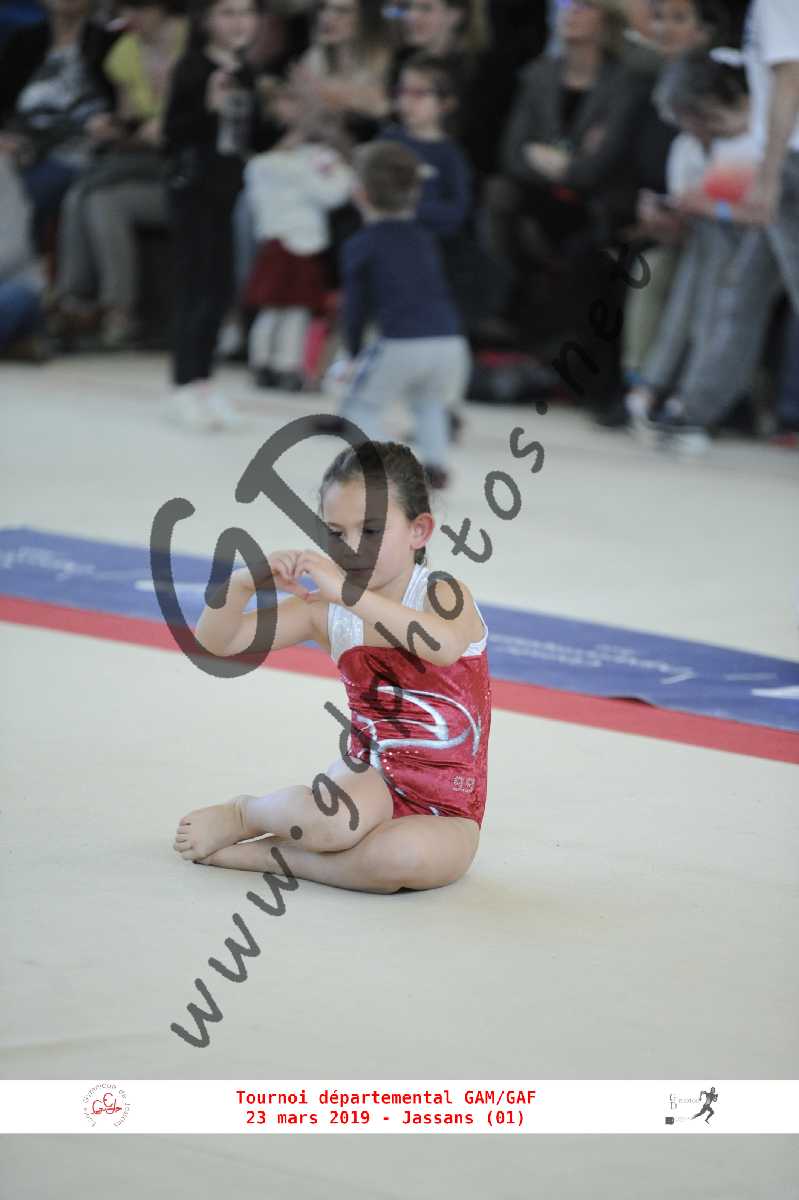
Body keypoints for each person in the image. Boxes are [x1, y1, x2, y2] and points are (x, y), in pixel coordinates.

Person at [173, 440, 492, 894]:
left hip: (451, 807)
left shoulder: (441, 592)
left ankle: (266, 856)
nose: (353, 548)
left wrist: (348, 594)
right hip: (371, 776)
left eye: (372, 530)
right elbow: (217, 644)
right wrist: (245, 583)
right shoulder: (328, 612)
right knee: (331, 823)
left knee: (396, 859)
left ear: (419, 531)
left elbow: (441, 646)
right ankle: (247, 813)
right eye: (337, 533)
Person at [644, 0, 799, 452]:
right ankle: (693, 412)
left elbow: (790, 78)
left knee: (737, 288)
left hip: (789, 158)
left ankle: (689, 408)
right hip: (783, 157)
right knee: (740, 292)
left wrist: (768, 174)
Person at [310, 140, 470, 490]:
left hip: (401, 341)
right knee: (428, 404)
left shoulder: (361, 245)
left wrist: (354, 350)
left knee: (361, 407)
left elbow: (356, 307)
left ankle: (388, 469)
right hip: (450, 341)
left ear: (359, 193)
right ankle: (436, 465)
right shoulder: (425, 239)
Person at [50, 0, 188, 351]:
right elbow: (131, 126)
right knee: (93, 197)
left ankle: (74, 299)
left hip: (186, 163)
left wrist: (169, 124)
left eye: (137, 9)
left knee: (86, 186)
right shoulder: (124, 51)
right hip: (145, 161)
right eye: (124, 11)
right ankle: (112, 312)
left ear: (161, 8)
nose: (129, 19)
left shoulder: (191, 43)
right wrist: (112, 129)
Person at [162, 0, 267, 431]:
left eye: (245, 12)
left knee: (220, 290)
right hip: (194, 190)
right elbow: (172, 135)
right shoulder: (192, 68)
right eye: (227, 12)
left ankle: (204, 380)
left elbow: (250, 136)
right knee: (196, 287)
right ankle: (183, 382)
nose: (238, 22)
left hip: (230, 190)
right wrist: (207, 106)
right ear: (205, 19)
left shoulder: (247, 71)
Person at [243, 79, 355, 391]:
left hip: (288, 245)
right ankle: (277, 365)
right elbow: (332, 193)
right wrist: (336, 172)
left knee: (281, 312)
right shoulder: (284, 164)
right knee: (287, 312)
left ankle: (272, 363)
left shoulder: (266, 165)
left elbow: (332, 192)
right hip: (291, 244)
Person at [0, 0, 119, 246]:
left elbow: (114, 111)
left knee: (27, 190)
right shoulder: (24, 41)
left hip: (77, 151)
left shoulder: (107, 42)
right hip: (17, 146)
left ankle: (25, 263)